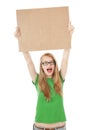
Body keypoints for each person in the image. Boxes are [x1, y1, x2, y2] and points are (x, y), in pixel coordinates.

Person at [15, 22, 74, 130]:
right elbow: (28, 61)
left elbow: (65, 56)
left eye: (51, 62)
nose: (48, 65)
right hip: (39, 127)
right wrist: (20, 39)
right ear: (41, 67)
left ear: (55, 65)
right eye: (45, 63)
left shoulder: (60, 78)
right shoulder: (37, 79)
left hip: (60, 127)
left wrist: (69, 35)